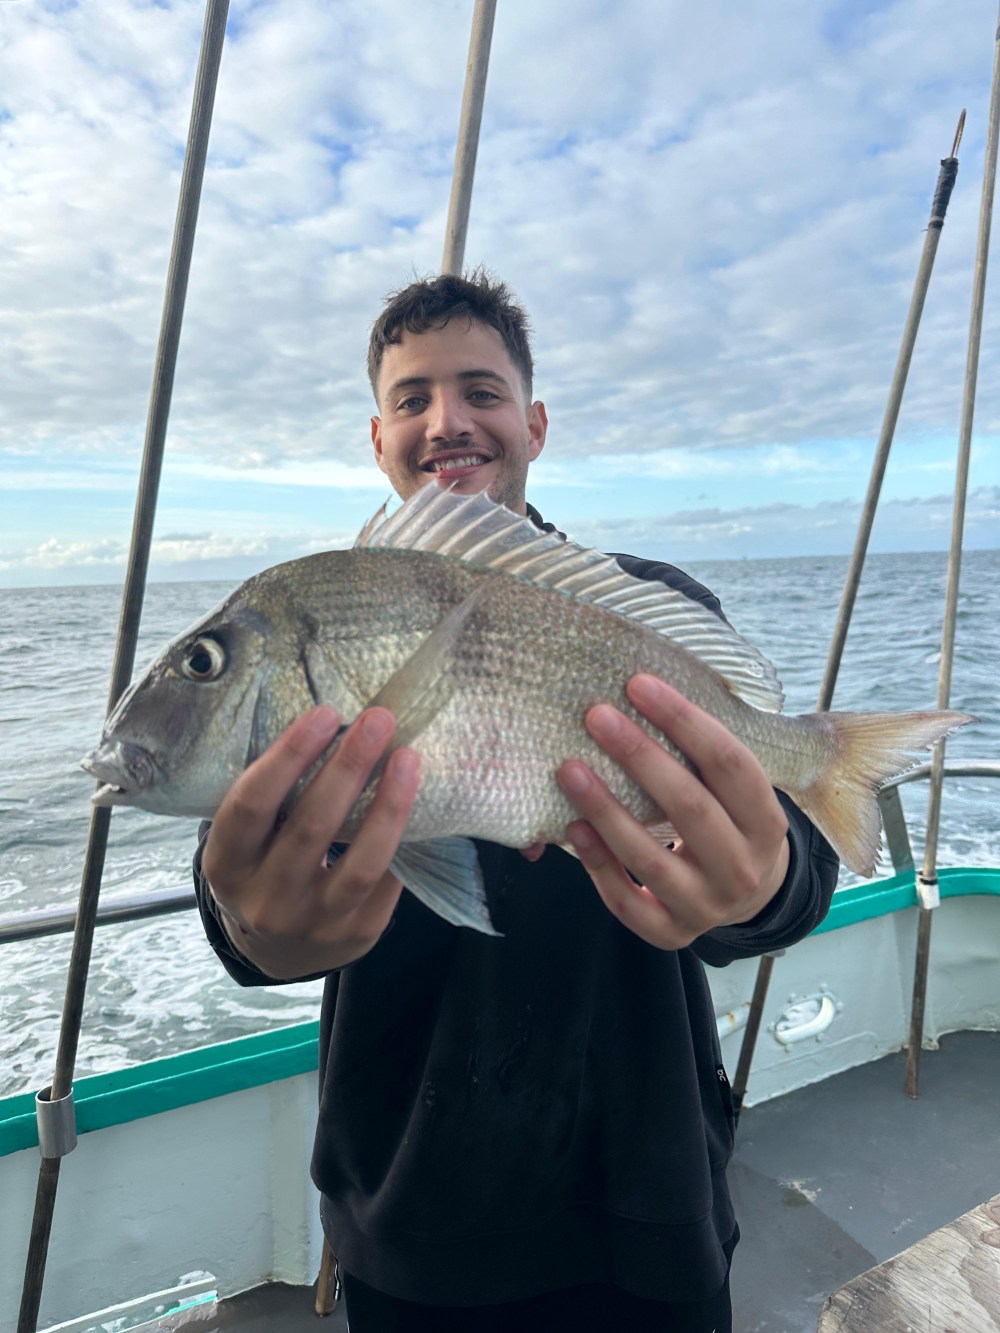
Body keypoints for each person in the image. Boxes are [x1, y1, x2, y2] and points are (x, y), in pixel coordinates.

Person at [193, 271, 838, 1332]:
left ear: (532, 421)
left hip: (650, 1198)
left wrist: (759, 884)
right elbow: (239, 874)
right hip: (408, 1212)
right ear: (376, 437)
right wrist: (255, 929)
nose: (447, 421)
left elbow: (794, 871)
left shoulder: (655, 610)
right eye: (412, 398)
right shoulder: (318, 610)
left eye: (481, 391)